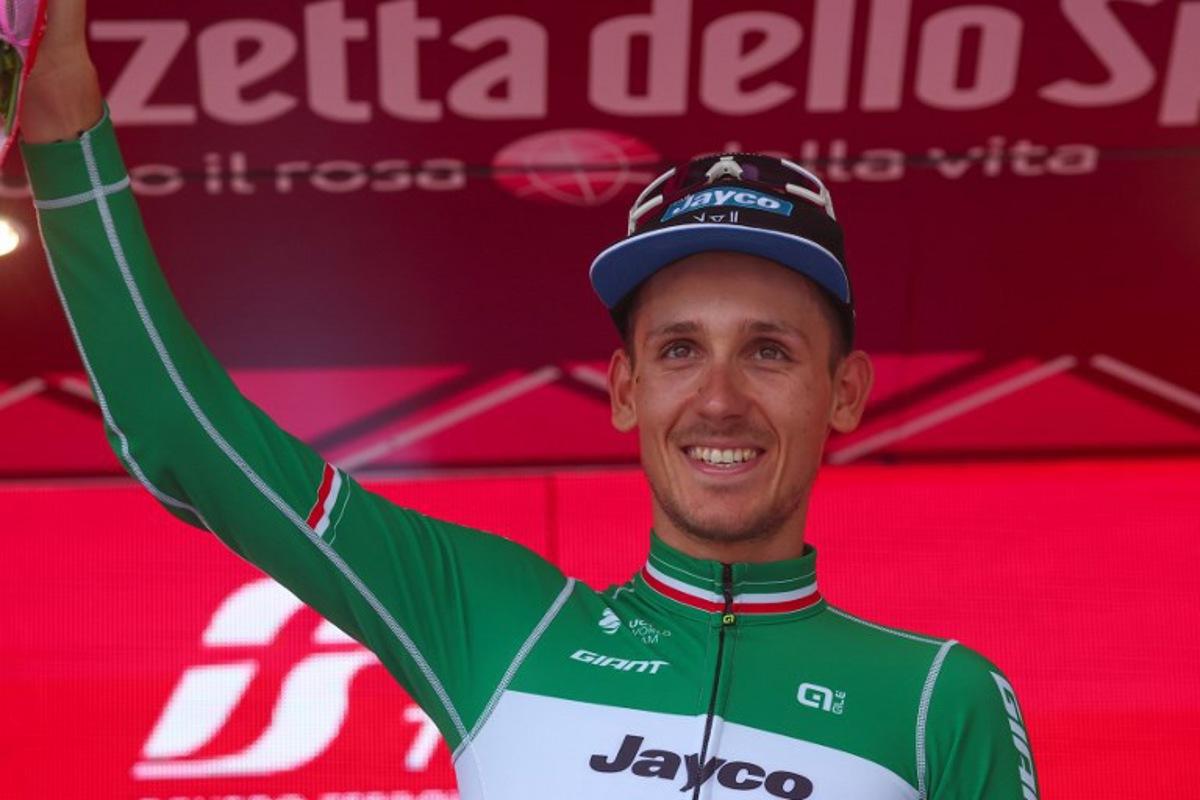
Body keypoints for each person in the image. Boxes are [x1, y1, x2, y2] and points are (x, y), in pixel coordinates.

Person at [21, 2, 1039, 798]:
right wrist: (66, 125)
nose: (719, 398)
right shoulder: (496, 619)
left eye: (769, 352)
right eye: (679, 349)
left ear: (844, 392)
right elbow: (183, 434)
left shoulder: (939, 699)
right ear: (626, 389)